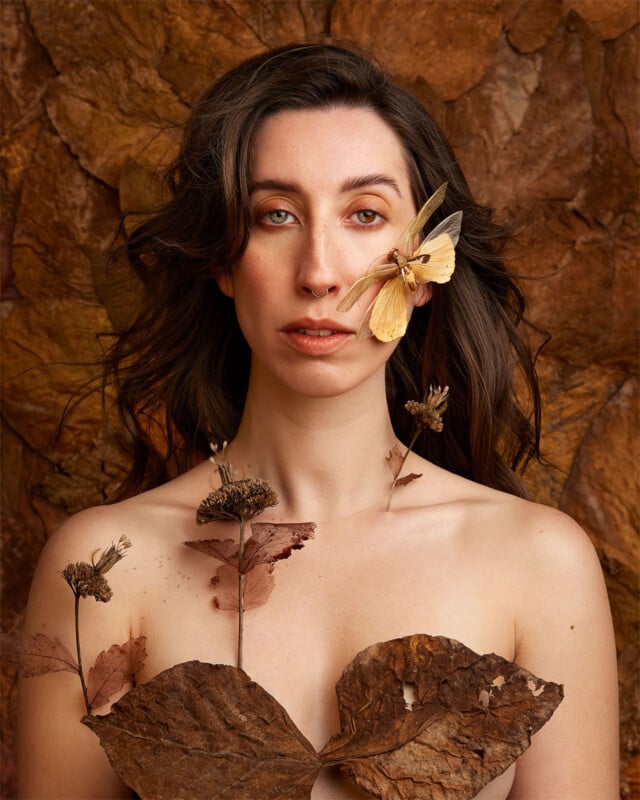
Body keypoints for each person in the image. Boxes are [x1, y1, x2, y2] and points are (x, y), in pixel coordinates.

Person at [18, 42, 619, 799]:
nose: (320, 273)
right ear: (224, 261)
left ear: (426, 266)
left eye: (365, 215)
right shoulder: (110, 566)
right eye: (275, 215)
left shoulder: (539, 565)